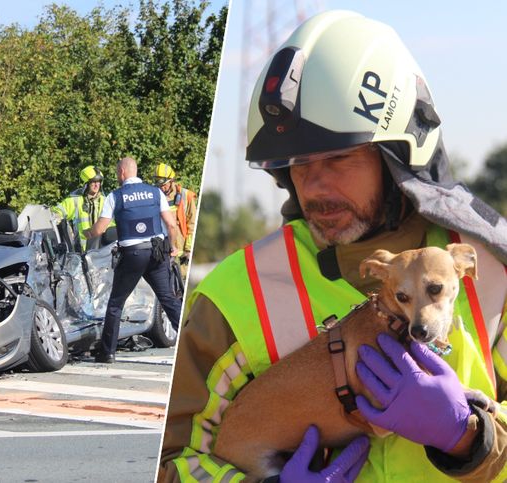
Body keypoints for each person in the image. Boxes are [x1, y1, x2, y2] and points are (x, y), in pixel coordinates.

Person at [160, 10, 507, 482]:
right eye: (298, 162)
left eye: (339, 157)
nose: (314, 184)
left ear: (401, 153)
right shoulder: (231, 298)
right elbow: (169, 464)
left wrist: (471, 438)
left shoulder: (493, 274)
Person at [84, 157, 183, 363]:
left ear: (121, 173)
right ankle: (189, 340)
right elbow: (171, 225)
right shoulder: (156, 192)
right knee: (168, 299)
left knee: (116, 303)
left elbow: (100, 229)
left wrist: (85, 233)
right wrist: (173, 247)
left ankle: (107, 353)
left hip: (132, 255)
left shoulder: (116, 196)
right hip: (157, 253)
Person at [52, 165, 109, 251]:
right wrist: (57, 217)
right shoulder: (74, 200)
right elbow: (56, 212)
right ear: (85, 184)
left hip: (104, 251)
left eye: (99, 182)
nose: (97, 185)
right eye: (93, 182)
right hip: (81, 252)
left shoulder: (106, 201)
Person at [154, 163, 197, 273]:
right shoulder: (155, 197)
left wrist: (188, 249)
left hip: (182, 253)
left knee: (182, 282)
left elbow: (192, 224)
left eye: (164, 185)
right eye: (159, 186)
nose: (162, 188)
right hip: (163, 251)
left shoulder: (186, 196)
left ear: (172, 181)